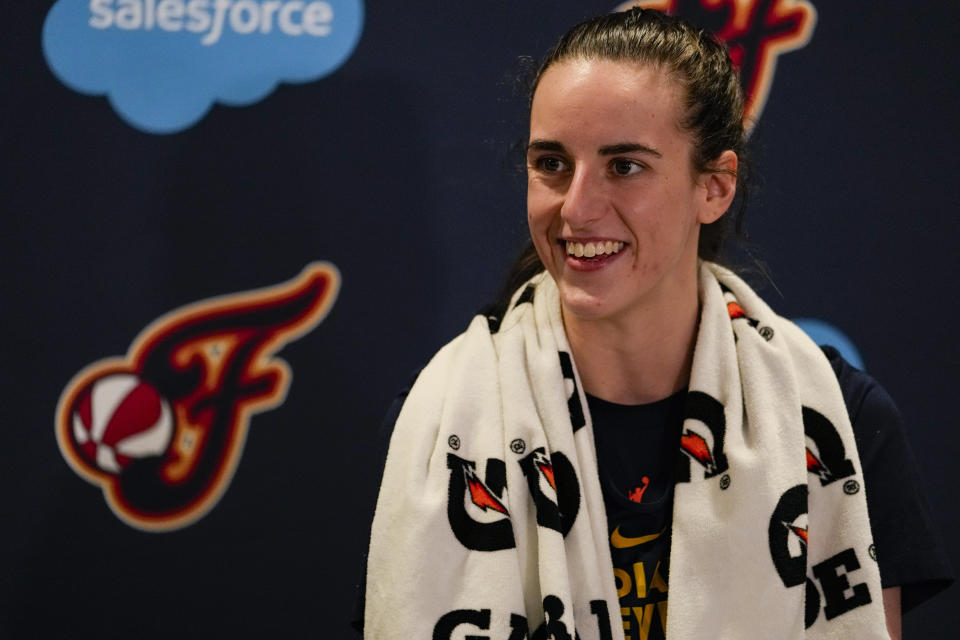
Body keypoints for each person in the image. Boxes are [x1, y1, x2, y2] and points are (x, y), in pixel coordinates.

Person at [357, 8, 952, 639]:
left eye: (624, 166)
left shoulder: (844, 424)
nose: (576, 209)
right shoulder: (436, 428)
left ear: (715, 187)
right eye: (552, 164)